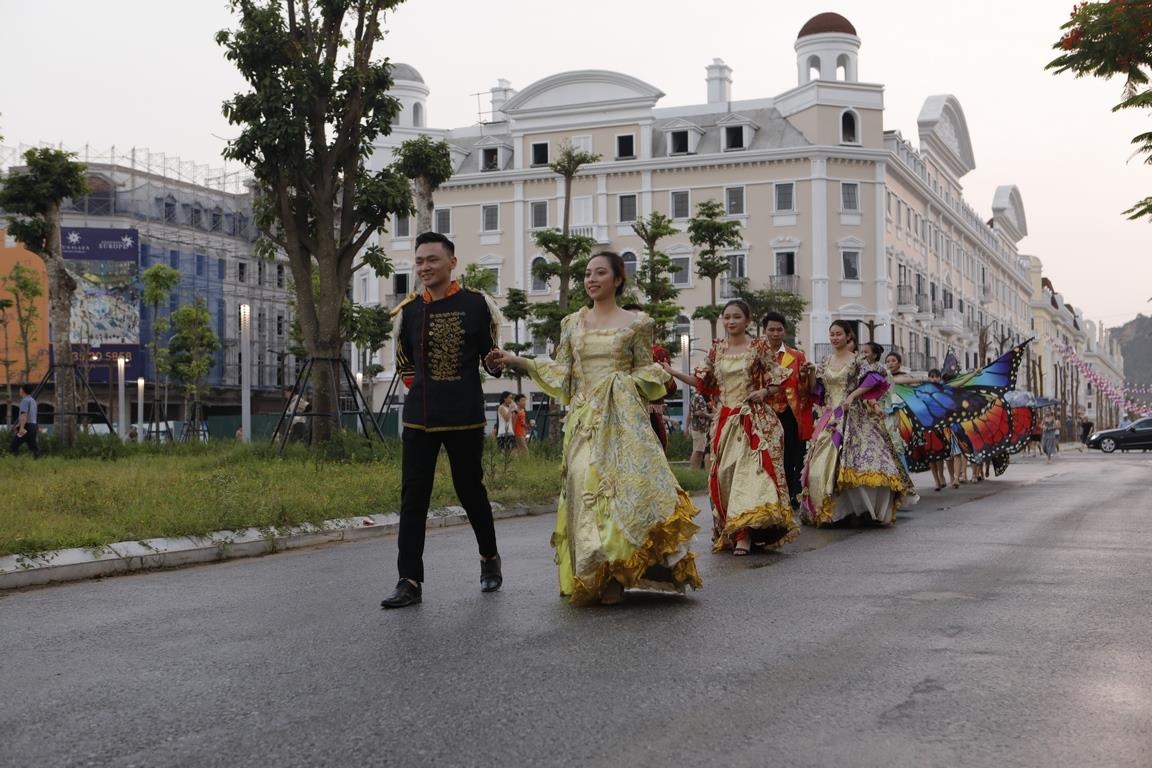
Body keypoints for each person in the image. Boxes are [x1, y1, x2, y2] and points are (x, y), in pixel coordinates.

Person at [489, 251, 701, 605]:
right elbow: (562, 371)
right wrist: (517, 360)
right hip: (585, 419)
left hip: (623, 419)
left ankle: (616, 573)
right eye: (587, 273)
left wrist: (636, 380)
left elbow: (644, 368)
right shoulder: (572, 323)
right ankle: (595, 569)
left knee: (622, 490)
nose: (591, 279)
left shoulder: (638, 323)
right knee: (582, 482)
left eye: (600, 273)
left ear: (617, 279)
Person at [380, 232, 505, 609]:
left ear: (452, 263)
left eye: (432, 260)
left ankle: (489, 557)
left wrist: (495, 363)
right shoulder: (408, 311)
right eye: (419, 261)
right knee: (413, 497)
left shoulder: (477, 304)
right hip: (418, 419)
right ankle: (409, 580)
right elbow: (404, 363)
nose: (425, 267)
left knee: (470, 491)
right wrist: (422, 389)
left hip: (464, 416)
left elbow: (490, 358)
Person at [665, 299, 796, 555]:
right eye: (727, 317)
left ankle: (745, 534)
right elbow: (702, 381)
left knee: (749, 474)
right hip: (724, 421)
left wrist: (764, 391)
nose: (731, 321)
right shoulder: (718, 349)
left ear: (748, 320)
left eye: (737, 317)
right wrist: (673, 372)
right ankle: (734, 529)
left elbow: (779, 377)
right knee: (725, 475)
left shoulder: (758, 346)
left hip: (752, 420)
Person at [801, 321, 913, 527]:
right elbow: (818, 390)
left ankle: (860, 511)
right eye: (832, 334)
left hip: (854, 415)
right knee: (819, 463)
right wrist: (810, 373)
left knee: (859, 461)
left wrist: (852, 396)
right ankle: (831, 512)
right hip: (830, 416)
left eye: (839, 334)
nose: (835, 338)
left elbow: (874, 379)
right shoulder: (825, 361)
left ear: (848, 336)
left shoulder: (857, 360)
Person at [761, 311, 814, 510]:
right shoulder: (757, 355)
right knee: (767, 455)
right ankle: (769, 496)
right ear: (764, 331)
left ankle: (791, 495)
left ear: (785, 331)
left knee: (790, 455)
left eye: (779, 329)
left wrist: (805, 375)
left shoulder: (796, 356)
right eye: (771, 330)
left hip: (790, 413)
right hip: (764, 412)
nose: (775, 333)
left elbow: (804, 390)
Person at [10, 383, 40, 458]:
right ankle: (38, 460)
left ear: (23, 390)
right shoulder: (33, 401)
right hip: (33, 426)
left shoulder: (25, 400)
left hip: (26, 426)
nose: (19, 390)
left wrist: (21, 428)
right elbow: (32, 415)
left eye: (20, 389)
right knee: (32, 446)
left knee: (14, 446)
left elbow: (24, 414)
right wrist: (19, 424)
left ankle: (15, 461)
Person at [687, 389, 712, 470]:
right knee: (698, 450)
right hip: (700, 428)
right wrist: (708, 414)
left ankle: (695, 470)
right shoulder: (700, 397)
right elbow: (702, 413)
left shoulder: (694, 396)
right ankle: (693, 470)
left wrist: (687, 427)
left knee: (699, 450)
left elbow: (690, 413)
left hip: (696, 427)